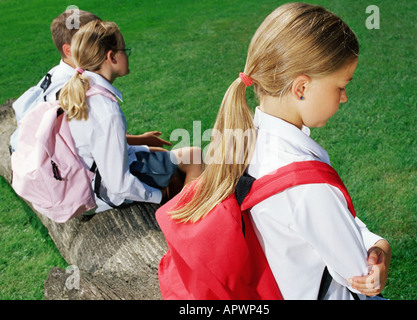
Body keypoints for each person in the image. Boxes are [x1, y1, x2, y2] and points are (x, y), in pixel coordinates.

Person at [167, 3, 390, 299]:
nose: (345, 97)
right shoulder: (308, 187)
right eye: (340, 86)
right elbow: (360, 275)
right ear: (301, 89)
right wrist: (381, 248)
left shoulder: (243, 142)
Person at [58, 20, 202, 212]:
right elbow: (118, 184)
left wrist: (142, 144)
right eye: (125, 50)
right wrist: (157, 196)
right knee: (195, 157)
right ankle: (186, 217)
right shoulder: (107, 112)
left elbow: (100, 147)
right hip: (103, 192)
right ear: (112, 57)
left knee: (168, 155)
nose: (127, 54)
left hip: (85, 180)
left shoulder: (80, 91)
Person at [10, 9, 170, 153]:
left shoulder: (58, 72)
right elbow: (89, 140)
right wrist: (143, 141)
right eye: (90, 39)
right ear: (68, 50)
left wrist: (140, 139)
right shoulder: (70, 89)